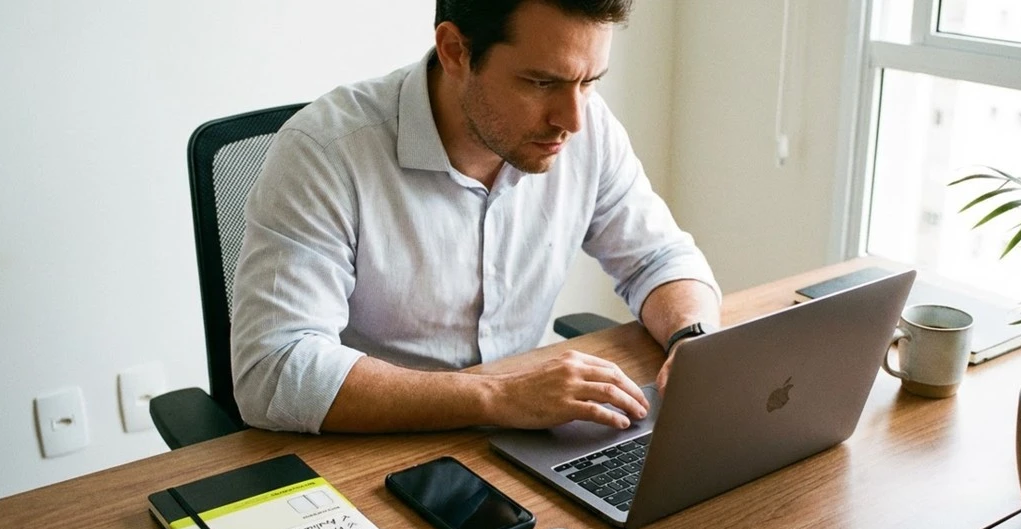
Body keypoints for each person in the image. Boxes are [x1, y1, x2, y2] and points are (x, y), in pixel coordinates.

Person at [231, 0, 721, 435]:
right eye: (541, 82)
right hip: (374, 452)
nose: (572, 119)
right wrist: (499, 396)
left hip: (525, 437)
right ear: (454, 51)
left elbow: (659, 257)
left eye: (589, 81)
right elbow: (275, 369)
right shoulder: (325, 154)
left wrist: (692, 343)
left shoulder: (588, 129)